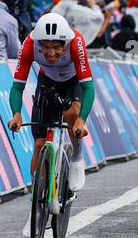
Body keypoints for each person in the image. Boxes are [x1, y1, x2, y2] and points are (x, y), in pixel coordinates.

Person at [5, 13, 94, 188]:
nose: (51, 53)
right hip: (47, 81)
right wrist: (16, 114)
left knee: (72, 113)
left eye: (56, 47)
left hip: (73, 82)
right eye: (45, 47)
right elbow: (17, 87)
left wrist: (81, 121)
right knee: (39, 144)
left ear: (65, 44)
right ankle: (38, 197)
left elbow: (88, 88)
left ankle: (77, 158)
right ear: (38, 43)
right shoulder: (29, 45)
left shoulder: (76, 43)